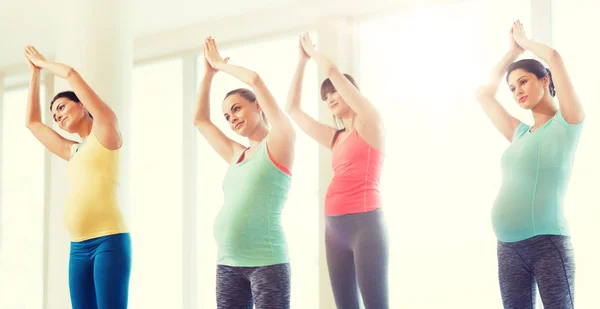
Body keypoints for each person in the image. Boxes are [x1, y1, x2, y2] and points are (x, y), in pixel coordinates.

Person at [475, 21, 584, 309]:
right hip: (507, 248)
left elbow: (555, 58)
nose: (517, 91)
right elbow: (483, 94)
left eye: (523, 81)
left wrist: (524, 40)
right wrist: (510, 53)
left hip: (547, 246)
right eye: (512, 88)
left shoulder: (566, 124)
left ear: (545, 80)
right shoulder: (520, 133)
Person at [285, 33, 389, 309]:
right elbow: (292, 109)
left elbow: (332, 70)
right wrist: (301, 61)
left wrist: (313, 50)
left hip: (365, 226)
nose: (330, 98)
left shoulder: (370, 122)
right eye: (326, 96)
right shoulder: (336, 137)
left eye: (335, 91)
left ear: (352, 93)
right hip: (333, 229)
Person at [24, 46, 131, 309]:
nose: (58, 116)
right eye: (56, 116)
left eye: (61, 107)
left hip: (109, 241)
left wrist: (43, 62)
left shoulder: (106, 130)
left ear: (82, 104)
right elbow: (33, 123)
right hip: (78, 248)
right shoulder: (72, 150)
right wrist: (34, 74)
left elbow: (70, 73)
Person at [193, 36, 296, 309]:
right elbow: (200, 120)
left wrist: (220, 64)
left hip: (267, 264)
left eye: (236, 109)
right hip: (227, 264)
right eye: (227, 116)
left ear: (258, 106)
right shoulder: (235, 154)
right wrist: (208, 75)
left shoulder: (280, 141)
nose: (232, 118)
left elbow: (255, 80)